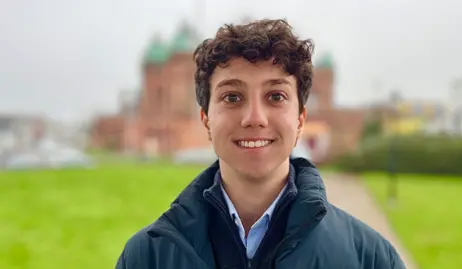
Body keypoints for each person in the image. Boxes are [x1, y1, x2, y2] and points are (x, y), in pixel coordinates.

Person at [115, 19, 406, 269]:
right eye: (232, 97)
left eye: (276, 97)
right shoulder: (147, 257)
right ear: (206, 119)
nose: (255, 118)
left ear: (300, 119)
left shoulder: (370, 259)